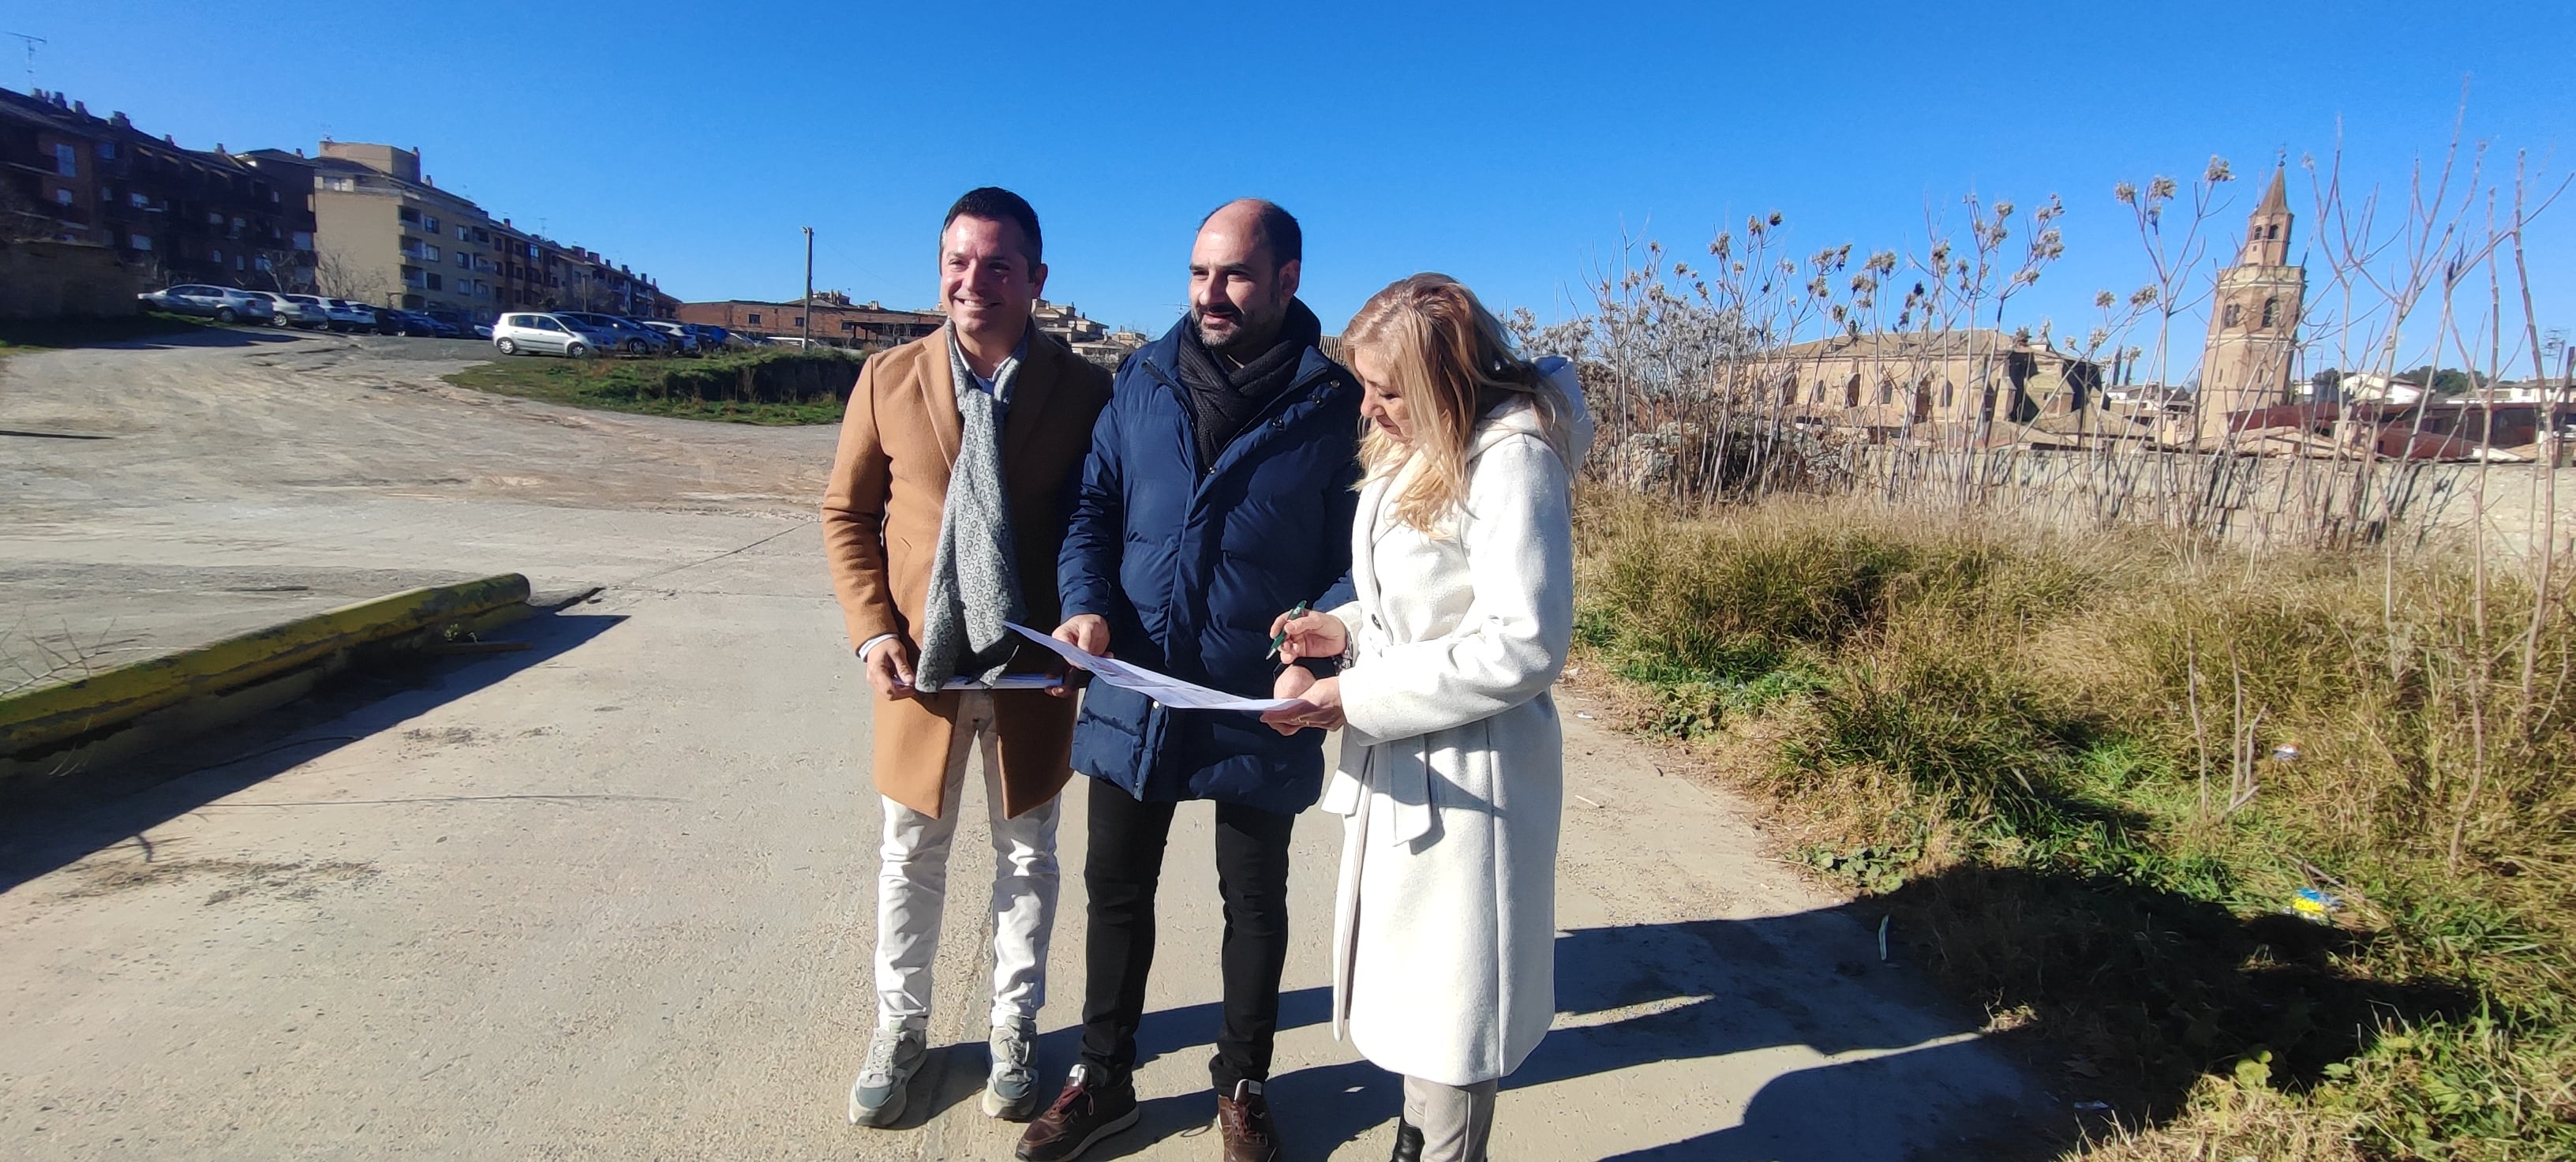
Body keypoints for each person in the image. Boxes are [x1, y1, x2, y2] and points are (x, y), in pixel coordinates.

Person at [1014, 199, 1361, 1162]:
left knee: (1254, 898)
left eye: (1235, 274)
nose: (1210, 293)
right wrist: (1085, 602)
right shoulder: (1143, 378)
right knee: (1116, 886)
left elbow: (1360, 554)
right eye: (1200, 272)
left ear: (1289, 278)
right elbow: (1094, 505)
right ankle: (1104, 1078)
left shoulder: (1336, 403)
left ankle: (1243, 1082)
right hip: (1137, 679)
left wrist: (1321, 638)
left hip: (1259, 696)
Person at [1260, 273, 1591, 1162]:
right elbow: (1424, 605)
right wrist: (1344, 627)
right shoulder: (1424, 444)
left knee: (1453, 1014)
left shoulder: (1513, 459)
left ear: (1448, 381)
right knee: (1418, 1004)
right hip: (1412, 761)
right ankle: (1422, 1141)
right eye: (1365, 384)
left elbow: (1523, 641)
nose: (1368, 408)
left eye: (1387, 389)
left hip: (1470, 781)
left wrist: (1353, 696)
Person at [820, 186, 1113, 1129]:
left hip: (1031, 667)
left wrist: (1086, 612)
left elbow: (1093, 520)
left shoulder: (1082, 389)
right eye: (957, 260)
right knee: (911, 853)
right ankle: (900, 1027)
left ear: (1036, 277)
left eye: (995, 264)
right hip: (922, 668)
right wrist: (873, 631)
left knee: (1028, 854)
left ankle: (1012, 1029)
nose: (972, 280)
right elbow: (847, 513)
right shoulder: (887, 378)